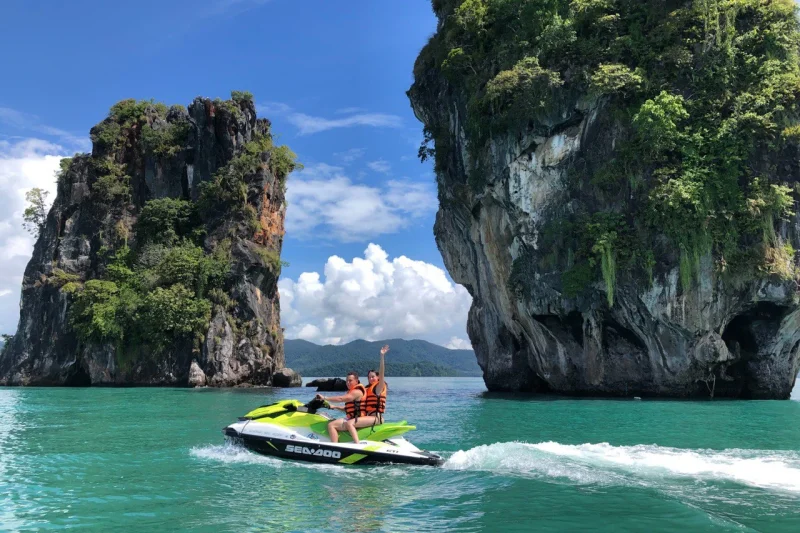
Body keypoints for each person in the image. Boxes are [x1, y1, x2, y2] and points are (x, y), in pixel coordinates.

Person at [317, 372, 366, 443]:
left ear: (356, 380)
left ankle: (334, 447)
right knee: (331, 420)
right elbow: (349, 409)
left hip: (356, 419)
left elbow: (341, 399)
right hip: (352, 417)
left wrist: (324, 398)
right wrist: (335, 407)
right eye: (347, 381)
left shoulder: (357, 392)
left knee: (331, 425)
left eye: (350, 380)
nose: (348, 383)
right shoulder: (352, 391)